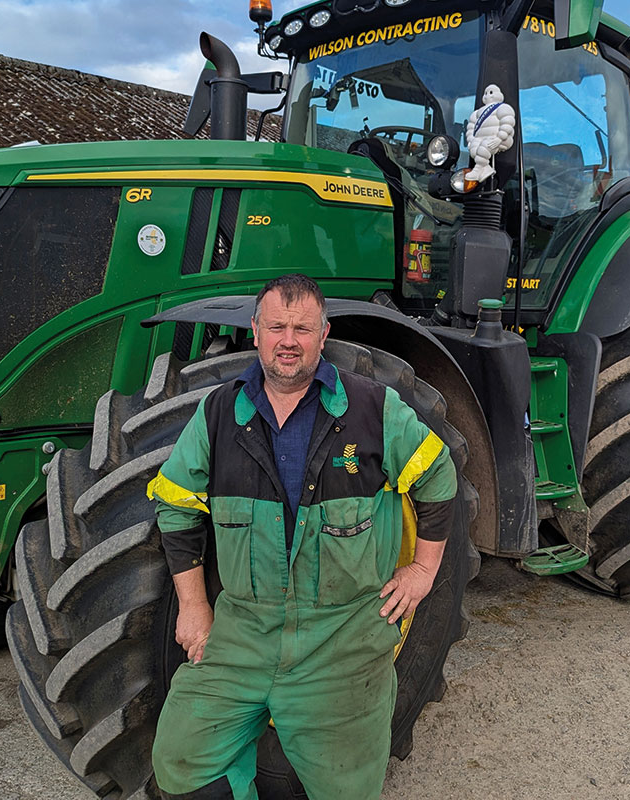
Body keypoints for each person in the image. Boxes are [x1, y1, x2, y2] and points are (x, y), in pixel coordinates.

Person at [147, 274, 458, 800]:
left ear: (323, 334)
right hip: (244, 629)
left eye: (302, 328)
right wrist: (194, 606)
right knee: (179, 762)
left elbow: (438, 475)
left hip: (342, 635)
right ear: (254, 332)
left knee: (346, 787)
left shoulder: (372, 409)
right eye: (276, 327)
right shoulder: (220, 413)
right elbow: (175, 505)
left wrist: (423, 569)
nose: (288, 340)